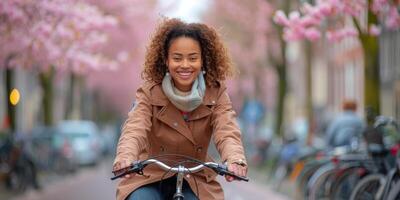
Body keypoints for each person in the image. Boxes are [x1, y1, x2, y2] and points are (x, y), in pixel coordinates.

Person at [112, 18, 248, 200]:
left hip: (196, 179)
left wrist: (235, 159)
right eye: (177, 58)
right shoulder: (149, 91)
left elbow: (227, 130)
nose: (185, 65)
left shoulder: (216, 93)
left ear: (203, 61)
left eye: (192, 58)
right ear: (166, 60)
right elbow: (134, 127)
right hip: (149, 176)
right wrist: (125, 157)